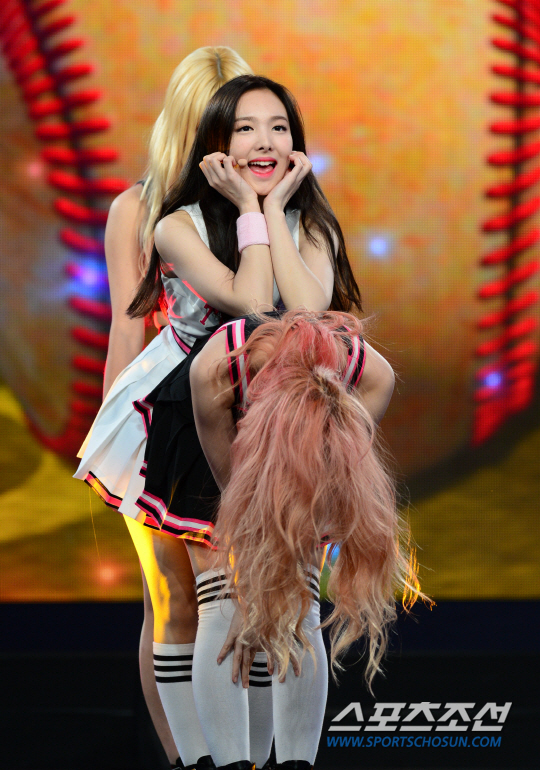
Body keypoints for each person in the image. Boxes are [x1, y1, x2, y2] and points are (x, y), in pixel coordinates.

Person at [76, 73, 363, 769]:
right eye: (245, 128)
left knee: (295, 595)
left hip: (284, 413)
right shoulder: (175, 224)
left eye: (279, 128)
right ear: (214, 146)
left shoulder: (312, 223)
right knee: (217, 596)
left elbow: (305, 307)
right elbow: (252, 301)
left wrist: (278, 207)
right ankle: (214, 762)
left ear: (297, 145)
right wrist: (250, 211)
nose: (264, 142)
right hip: (193, 410)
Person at [139, 307, 423, 770]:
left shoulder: (367, 374)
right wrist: (250, 579)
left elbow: (345, 453)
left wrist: (288, 562)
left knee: (299, 593)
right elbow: (237, 503)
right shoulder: (213, 374)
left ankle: (295, 763)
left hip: (312, 430)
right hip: (208, 436)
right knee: (221, 596)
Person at [75, 48, 254, 770]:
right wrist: (111, 447)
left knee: (242, 598)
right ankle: (189, 760)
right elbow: (126, 329)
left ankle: (245, 755)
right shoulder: (137, 208)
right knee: (171, 600)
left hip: (247, 404)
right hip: (159, 410)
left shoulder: (266, 203)